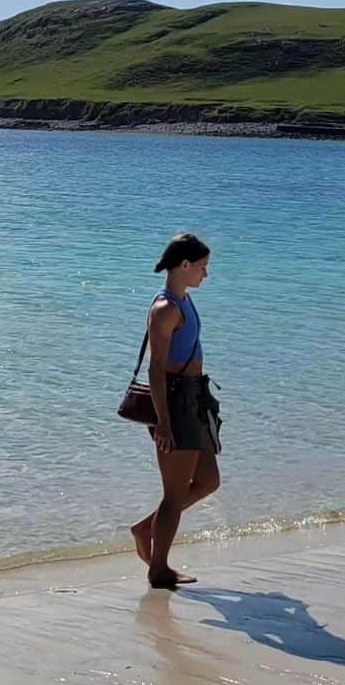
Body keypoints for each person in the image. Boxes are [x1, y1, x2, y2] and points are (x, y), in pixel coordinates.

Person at [129, 232, 221, 589]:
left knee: (208, 480)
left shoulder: (184, 300)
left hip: (195, 398)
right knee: (174, 493)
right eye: (202, 267)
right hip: (175, 403)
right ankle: (159, 569)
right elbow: (155, 368)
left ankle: (146, 528)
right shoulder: (165, 309)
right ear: (184, 265)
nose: (206, 274)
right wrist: (163, 421)